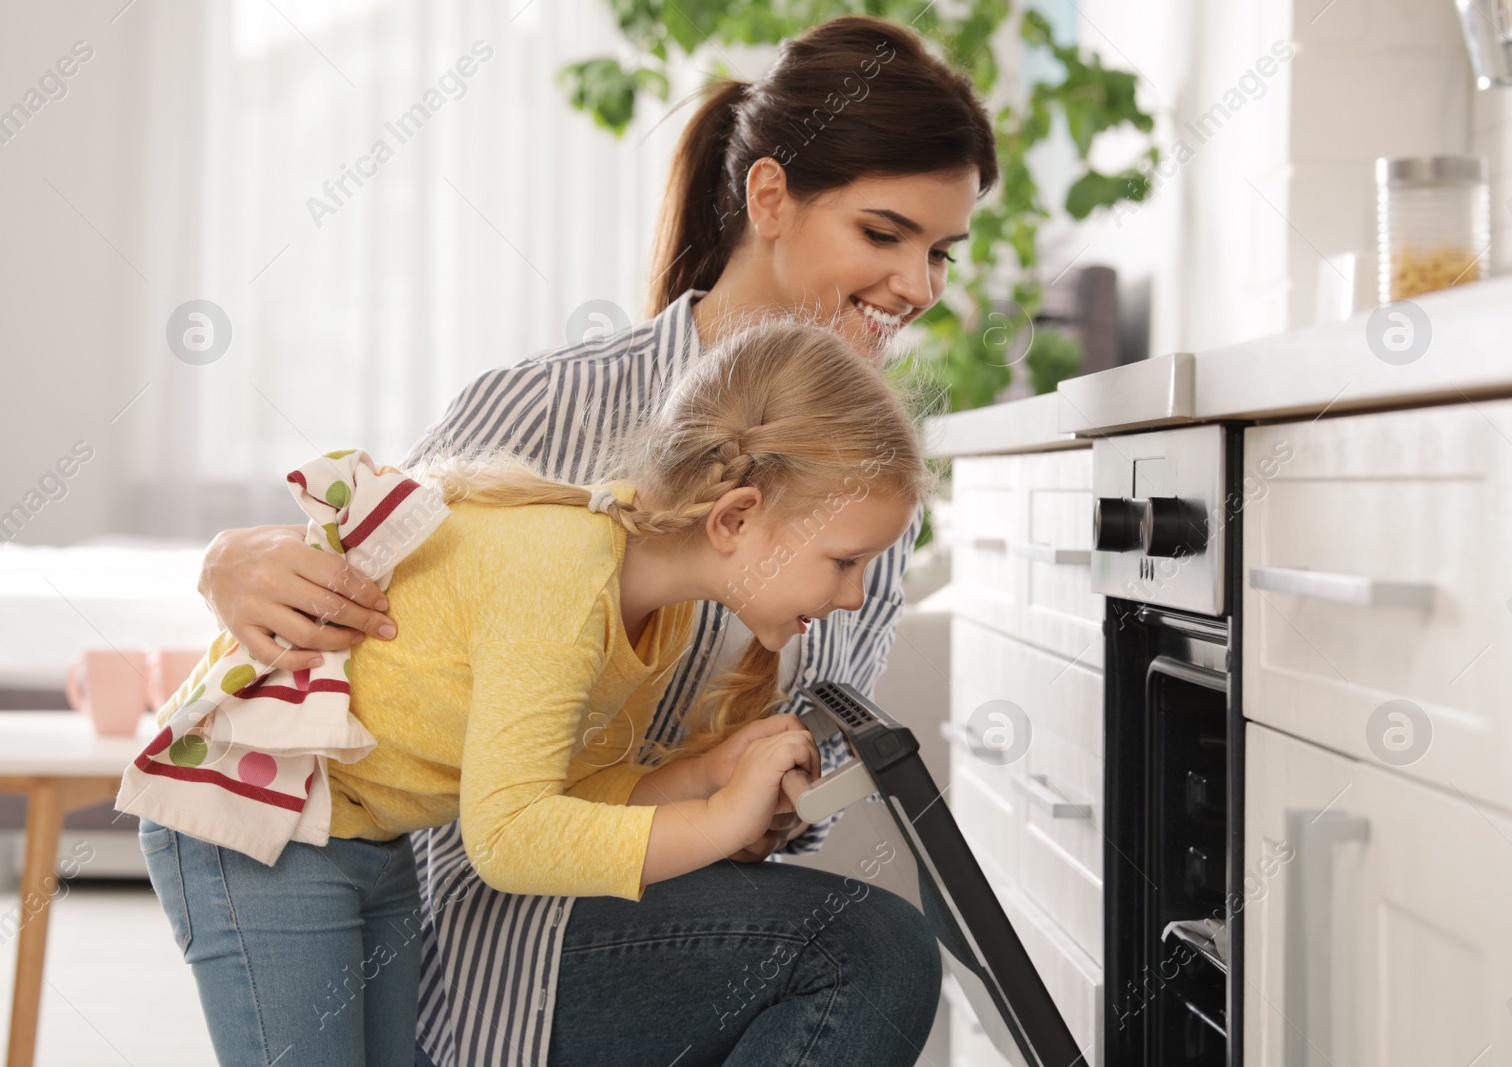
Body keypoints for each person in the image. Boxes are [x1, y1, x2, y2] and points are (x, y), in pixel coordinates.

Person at [193, 14, 998, 1067]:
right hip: (486, 913)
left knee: (874, 947)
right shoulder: (548, 402)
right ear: (769, 199)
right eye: (884, 235)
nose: (919, 286)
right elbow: (373, 627)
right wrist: (225, 562)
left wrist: (757, 791)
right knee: (873, 948)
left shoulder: (865, 486)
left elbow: (803, 750)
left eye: (940, 252)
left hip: (653, 882)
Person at [140, 318, 937, 1066]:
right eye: (844, 560)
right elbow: (510, 839)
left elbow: (573, 791)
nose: (856, 596)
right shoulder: (564, 572)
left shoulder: (648, 608)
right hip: (262, 810)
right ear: (735, 519)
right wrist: (718, 818)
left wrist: (703, 776)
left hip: (362, 830)